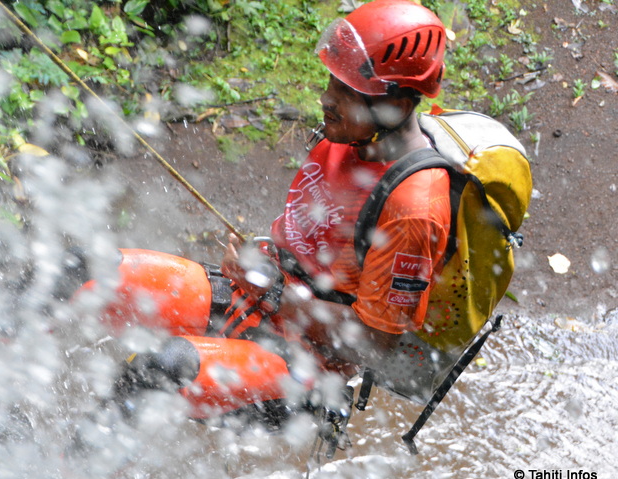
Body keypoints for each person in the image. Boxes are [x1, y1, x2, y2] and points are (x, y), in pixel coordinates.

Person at [75, 0, 452, 429]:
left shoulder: (413, 208)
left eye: (347, 93)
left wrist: (279, 297)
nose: (326, 98)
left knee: (158, 369)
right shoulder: (351, 135)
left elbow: (374, 345)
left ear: (398, 106)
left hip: (305, 367)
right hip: (254, 298)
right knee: (79, 271)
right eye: (332, 81)